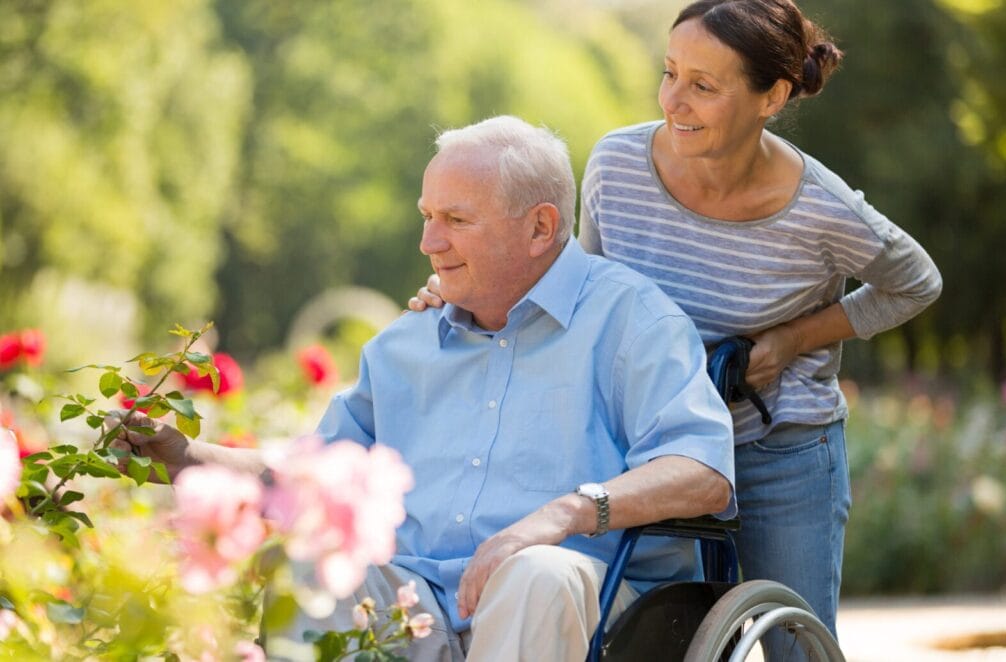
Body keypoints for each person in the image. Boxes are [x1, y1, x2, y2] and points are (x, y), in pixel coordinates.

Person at [410, 0, 943, 655]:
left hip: (774, 438)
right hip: (649, 440)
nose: (673, 101)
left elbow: (916, 282)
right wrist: (464, 288)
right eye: (669, 74)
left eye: (703, 86)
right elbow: (580, 289)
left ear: (770, 96)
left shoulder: (821, 209)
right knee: (655, 633)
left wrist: (793, 340)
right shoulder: (618, 164)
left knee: (795, 648)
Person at [118, 115, 737, 661]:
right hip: (418, 604)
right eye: (427, 217)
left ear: (540, 227)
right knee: (304, 563)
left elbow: (702, 470)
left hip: (588, 612)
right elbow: (316, 475)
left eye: (456, 220)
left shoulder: (632, 321)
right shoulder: (402, 345)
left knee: (536, 573)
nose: (428, 243)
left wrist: (560, 514)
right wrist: (191, 458)